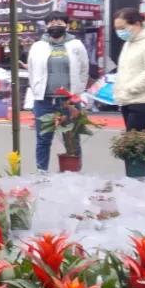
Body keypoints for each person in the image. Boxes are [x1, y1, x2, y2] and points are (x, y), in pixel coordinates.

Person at [25, 12, 90, 172]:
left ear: (66, 25)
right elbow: (32, 70)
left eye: (60, 22)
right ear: (46, 26)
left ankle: (73, 174)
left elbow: (84, 69)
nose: (55, 25)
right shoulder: (38, 46)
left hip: (69, 101)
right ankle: (42, 173)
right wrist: (36, 89)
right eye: (52, 22)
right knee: (43, 139)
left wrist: (77, 92)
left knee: (72, 140)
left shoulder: (76, 45)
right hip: (44, 101)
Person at [113, 7, 145, 137]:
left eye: (123, 28)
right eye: (117, 29)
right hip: (128, 99)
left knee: (133, 141)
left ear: (137, 23)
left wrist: (131, 88)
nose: (120, 32)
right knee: (134, 142)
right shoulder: (129, 42)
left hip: (144, 100)